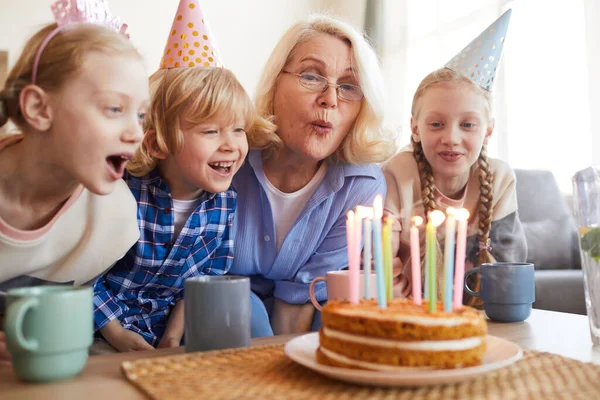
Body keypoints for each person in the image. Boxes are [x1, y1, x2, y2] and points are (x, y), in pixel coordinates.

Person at [92, 0, 273, 351]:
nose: (231, 145)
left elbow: (204, 280)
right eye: (210, 132)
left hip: (172, 326)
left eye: (238, 129)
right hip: (104, 323)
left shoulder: (224, 205)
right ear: (158, 143)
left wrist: (173, 338)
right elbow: (83, 279)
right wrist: (115, 332)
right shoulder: (122, 194)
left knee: (246, 312)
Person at [230, 14, 398, 335]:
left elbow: (301, 297)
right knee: (241, 309)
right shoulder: (230, 158)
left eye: (349, 87)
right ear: (275, 81)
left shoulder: (362, 185)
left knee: (344, 323)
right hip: (225, 307)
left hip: (308, 310)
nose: (330, 99)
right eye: (311, 76)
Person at [0, 0, 148, 361]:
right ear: (39, 108)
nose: (136, 133)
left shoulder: (116, 219)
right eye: (114, 108)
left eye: (141, 115)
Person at [383, 10, 527, 303]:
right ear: (415, 128)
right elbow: (379, 263)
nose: (451, 137)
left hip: (480, 316)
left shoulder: (499, 179)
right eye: (436, 124)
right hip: (409, 316)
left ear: (488, 130)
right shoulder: (397, 173)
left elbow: (509, 267)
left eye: (468, 125)